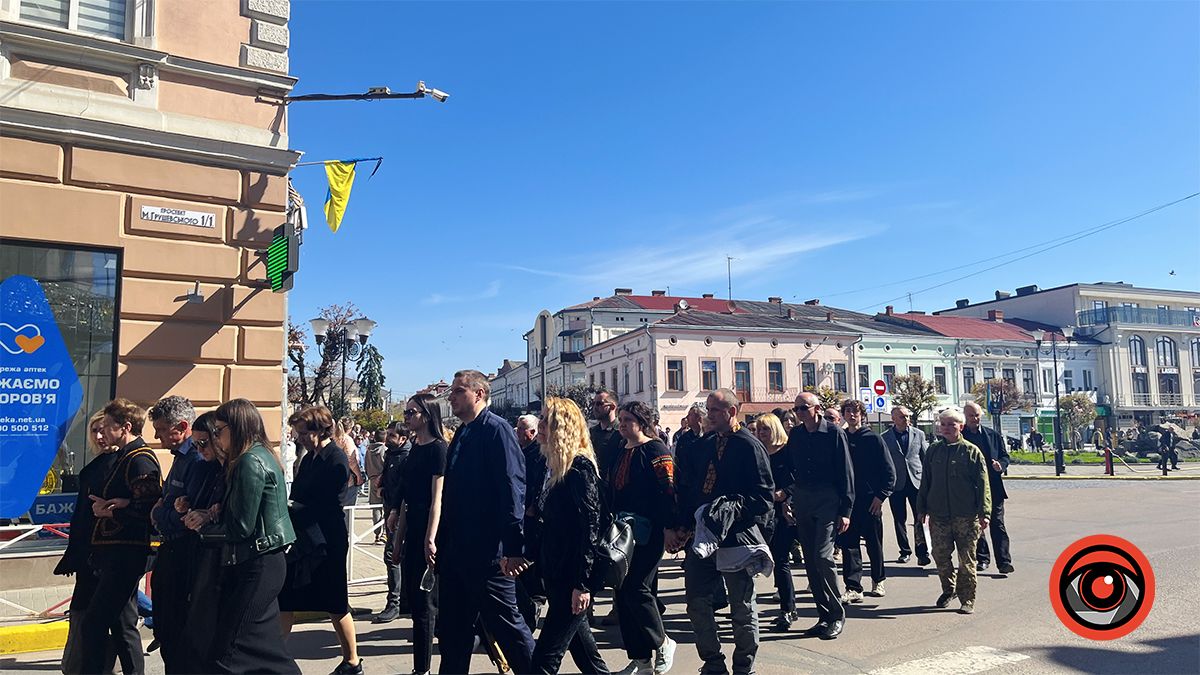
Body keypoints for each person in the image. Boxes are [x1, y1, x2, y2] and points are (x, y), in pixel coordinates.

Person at [437, 370, 535, 674]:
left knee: (508, 627)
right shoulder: (464, 432)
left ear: (479, 394)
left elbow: (512, 489)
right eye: (451, 391)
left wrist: (514, 547)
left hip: (488, 554)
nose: (451, 397)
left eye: (458, 391)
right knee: (453, 631)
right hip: (456, 551)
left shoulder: (497, 430)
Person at [676, 390, 772, 675]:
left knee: (741, 606)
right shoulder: (704, 445)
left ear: (732, 412)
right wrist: (683, 525)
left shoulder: (749, 446)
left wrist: (731, 508)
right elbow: (691, 488)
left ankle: (744, 665)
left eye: (715, 410)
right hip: (703, 537)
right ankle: (713, 662)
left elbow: (763, 498)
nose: (710, 415)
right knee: (696, 602)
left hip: (736, 538)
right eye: (708, 409)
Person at [202, 398, 298, 673]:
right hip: (265, 561)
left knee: (227, 651)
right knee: (266, 649)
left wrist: (205, 530)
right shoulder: (262, 455)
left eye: (219, 430)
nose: (217, 437)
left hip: (257, 563)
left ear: (237, 427)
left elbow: (241, 527)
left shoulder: (248, 462)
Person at [529, 398, 610, 675]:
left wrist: (582, 584)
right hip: (556, 572)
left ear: (561, 428)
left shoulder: (579, 470)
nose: (539, 426)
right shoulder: (552, 466)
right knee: (586, 655)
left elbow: (589, 530)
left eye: (545, 421)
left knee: (543, 661)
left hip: (571, 577)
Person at [80, 398, 161, 674]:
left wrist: (110, 512)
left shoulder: (139, 459)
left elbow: (148, 507)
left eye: (108, 427)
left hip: (126, 552)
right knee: (123, 624)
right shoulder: (126, 456)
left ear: (125, 427)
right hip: (115, 552)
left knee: (94, 623)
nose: (103, 432)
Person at [279, 406, 362, 675]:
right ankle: (275, 656)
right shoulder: (310, 457)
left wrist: (294, 517)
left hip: (327, 539)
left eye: (303, 432)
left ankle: (352, 661)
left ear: (320, 430)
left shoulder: (335, 459)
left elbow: (324, 504)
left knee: (335, 602)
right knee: (287, 598)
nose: (299, 438)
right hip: (306, 538)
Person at [56, 411, 136, 675]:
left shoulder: (127, 461)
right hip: (92, 555)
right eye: (94, 431)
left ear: (120, 429)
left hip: (113, 554)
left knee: (121, 624)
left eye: (104, 430)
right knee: (89, 617)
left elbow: (139, 506)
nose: (99, 436)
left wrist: (115, 509)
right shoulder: (103, 462)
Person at [609, 400, 677, 675]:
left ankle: (663, 642)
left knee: (638, 587)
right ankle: (640, 659)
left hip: (649, 531)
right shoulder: (619, 449)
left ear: (642, 421)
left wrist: (671, 526)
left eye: (627, 419)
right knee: (623, 593)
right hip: (621, 532)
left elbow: (668, 490)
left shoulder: (655, 448)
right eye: (621, 419)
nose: (622, 424)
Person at [783, 391, 853, 640]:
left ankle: (836, 614)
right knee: (811, 562)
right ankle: (823, 615)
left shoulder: (834, 433)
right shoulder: (797, 435)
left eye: (803, 408)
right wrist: (788, 496)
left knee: (824, 557)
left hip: (827, 500)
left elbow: (846, 473)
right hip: (804, 499)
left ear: (816, 409)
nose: (799, 413)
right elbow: (790, 468)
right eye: (796, 409)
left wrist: (845, 511)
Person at [915, 407, 991, 615]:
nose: (946, 428)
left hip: (965, 516)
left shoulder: (971, 451)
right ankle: (949, 590)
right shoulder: (934, 451)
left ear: (961, 427)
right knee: (940, 555)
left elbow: (983, 484)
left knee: (966, 560)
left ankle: (967, 598)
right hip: (938, 515)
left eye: (951, 424)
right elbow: (926, 481)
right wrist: (921, 508)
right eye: (943, 424)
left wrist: (985, 513)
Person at [147, 395, 201, 673]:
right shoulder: (180, 458)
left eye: (161, 431)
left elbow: (181, 519)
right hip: (169, 551)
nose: (157, 438)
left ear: (181, 426)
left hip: (184, 555)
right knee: (166, 633)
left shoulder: (196, 459)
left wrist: (159, 513)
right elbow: (170, 504)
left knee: (178, 637)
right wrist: (165, 511)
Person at [398, 394, 449, 674]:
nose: (406, 418)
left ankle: (423, 669)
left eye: (411, 413)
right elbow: (406, 497)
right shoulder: (415, 447)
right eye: (406, 413)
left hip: (432, 532)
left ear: (427, 415)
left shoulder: (439, 449)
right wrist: (397, 540)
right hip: (414, 528)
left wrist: (430, 539)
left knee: (426, 605)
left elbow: (436, 499)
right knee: (417, 604)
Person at [178, 412, 227, 668]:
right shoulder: (202, 467)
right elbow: (193, 500)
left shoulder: (234, 468)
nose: (199, 449)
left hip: (223, 561)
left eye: (204, 443)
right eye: (195, 444)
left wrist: (211, 514)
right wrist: (183, 505)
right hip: (200, 552)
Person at [838, 399, 895, 604]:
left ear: (862, 415)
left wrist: (881, 496)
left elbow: (889, 472)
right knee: (849, 545)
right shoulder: (841, 438)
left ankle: (878, 580)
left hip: (871, 501)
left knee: (874, 543)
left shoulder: (874, 439)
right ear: (843, 415)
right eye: (847, 411)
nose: (852, 415)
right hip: (848, 502)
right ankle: (853, 587)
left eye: (855, 411)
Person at [751, 414, 798, 632]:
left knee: (781, 560)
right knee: (770, 560)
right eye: (759, 430)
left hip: (786, 512)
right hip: (764, 513)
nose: (761, 434)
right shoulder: (757, 452)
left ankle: (787, 609)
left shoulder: (787, 451)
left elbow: (797, 480)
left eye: (765, 430)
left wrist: (784, 493)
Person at [962, 402, 1013, 575]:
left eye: (976, 415)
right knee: (977, 527)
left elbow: (1005, 456)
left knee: (998, 525)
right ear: (965, 417)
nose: (974, 418)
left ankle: (1004, 562)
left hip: (994, 488)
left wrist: (1001, 465)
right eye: (970, 415)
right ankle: (982, 558)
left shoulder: (992, 435)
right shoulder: (961, 437)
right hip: (971, 489)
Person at [882, 406, 929, 566]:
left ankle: (922, 552)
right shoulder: (885, 437)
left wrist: (927, 481)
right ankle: (905, 551)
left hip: (916, 482)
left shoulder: (919, 434)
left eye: (907, 416)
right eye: (902, 417)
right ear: (893, 419)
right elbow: (884, 462)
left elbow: (925, 458)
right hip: (896, 484)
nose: (906, 419)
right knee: (899, 519)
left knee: (920, 517)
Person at [373, 425, 411, 625]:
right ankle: (402, 600)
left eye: (392, 436)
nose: (387, 438)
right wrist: (382, 484)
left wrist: (396, 510)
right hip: (390, 509)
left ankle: (394, 603)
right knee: (395, 555)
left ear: (403, 439)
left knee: (392, 554)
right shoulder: (392, 454)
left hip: (399, 513)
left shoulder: (406, 456)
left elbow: (404, 487)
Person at [515, 414, 548, 628]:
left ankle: (535, 601)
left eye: (521, 429)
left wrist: (534, 506)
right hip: (520, 512)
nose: (517, 433)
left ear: (533, 433)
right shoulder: (520, 451)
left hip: (533, 515)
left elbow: (539, 481)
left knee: (530, 560)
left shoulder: (539, 454)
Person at [590, 388, 624, 479]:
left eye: (599, 404)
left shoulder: (622, 432)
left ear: (612, 407)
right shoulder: (591, 433)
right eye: (593, 404)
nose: (595, 407)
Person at [366, 430, 388, 543]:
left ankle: (377, 533)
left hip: (372, 478)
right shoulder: (384, 450)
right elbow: (386, 464)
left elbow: (366, 464)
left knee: (375, 508)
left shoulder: (368, 450)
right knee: (386, 506)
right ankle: (385, 533)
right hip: (383, 480)